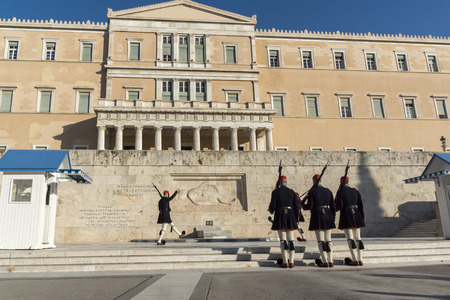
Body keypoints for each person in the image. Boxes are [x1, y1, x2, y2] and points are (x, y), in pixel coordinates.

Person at [302, 174, 336, 267]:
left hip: (318, 215)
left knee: (321, 240)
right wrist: (332, 218)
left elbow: (309, 206)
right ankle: (331, 260)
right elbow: (333, 206)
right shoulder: (328, 191)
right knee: (328, 240)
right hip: (328, 214)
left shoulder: (313, 192)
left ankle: (325, 261)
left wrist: (302, 205)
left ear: (314, 181)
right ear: (321, 181)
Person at [268, 175, 300, 268]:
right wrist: (295, 217)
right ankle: (292, 261)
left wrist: (270, 210)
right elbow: (297, 206)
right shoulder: (292, 192)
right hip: (290, 215)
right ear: (286, 182)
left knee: (283, 240)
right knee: (291, 239)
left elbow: (272, 206)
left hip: (280, 214)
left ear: (279, 183)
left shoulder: (275, 192)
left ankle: (285, 262)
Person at [335, 176, 365, 266]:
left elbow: (339, 205)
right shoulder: (355, 191)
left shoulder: (341, 192)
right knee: (358, 238)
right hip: (356, 214)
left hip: (347, 214)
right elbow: (361, 205)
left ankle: (355, 260)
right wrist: (361, 217)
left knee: (350, 238)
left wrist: (334, 209)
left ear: (341, 182)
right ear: (348, 181)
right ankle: (360, 259)